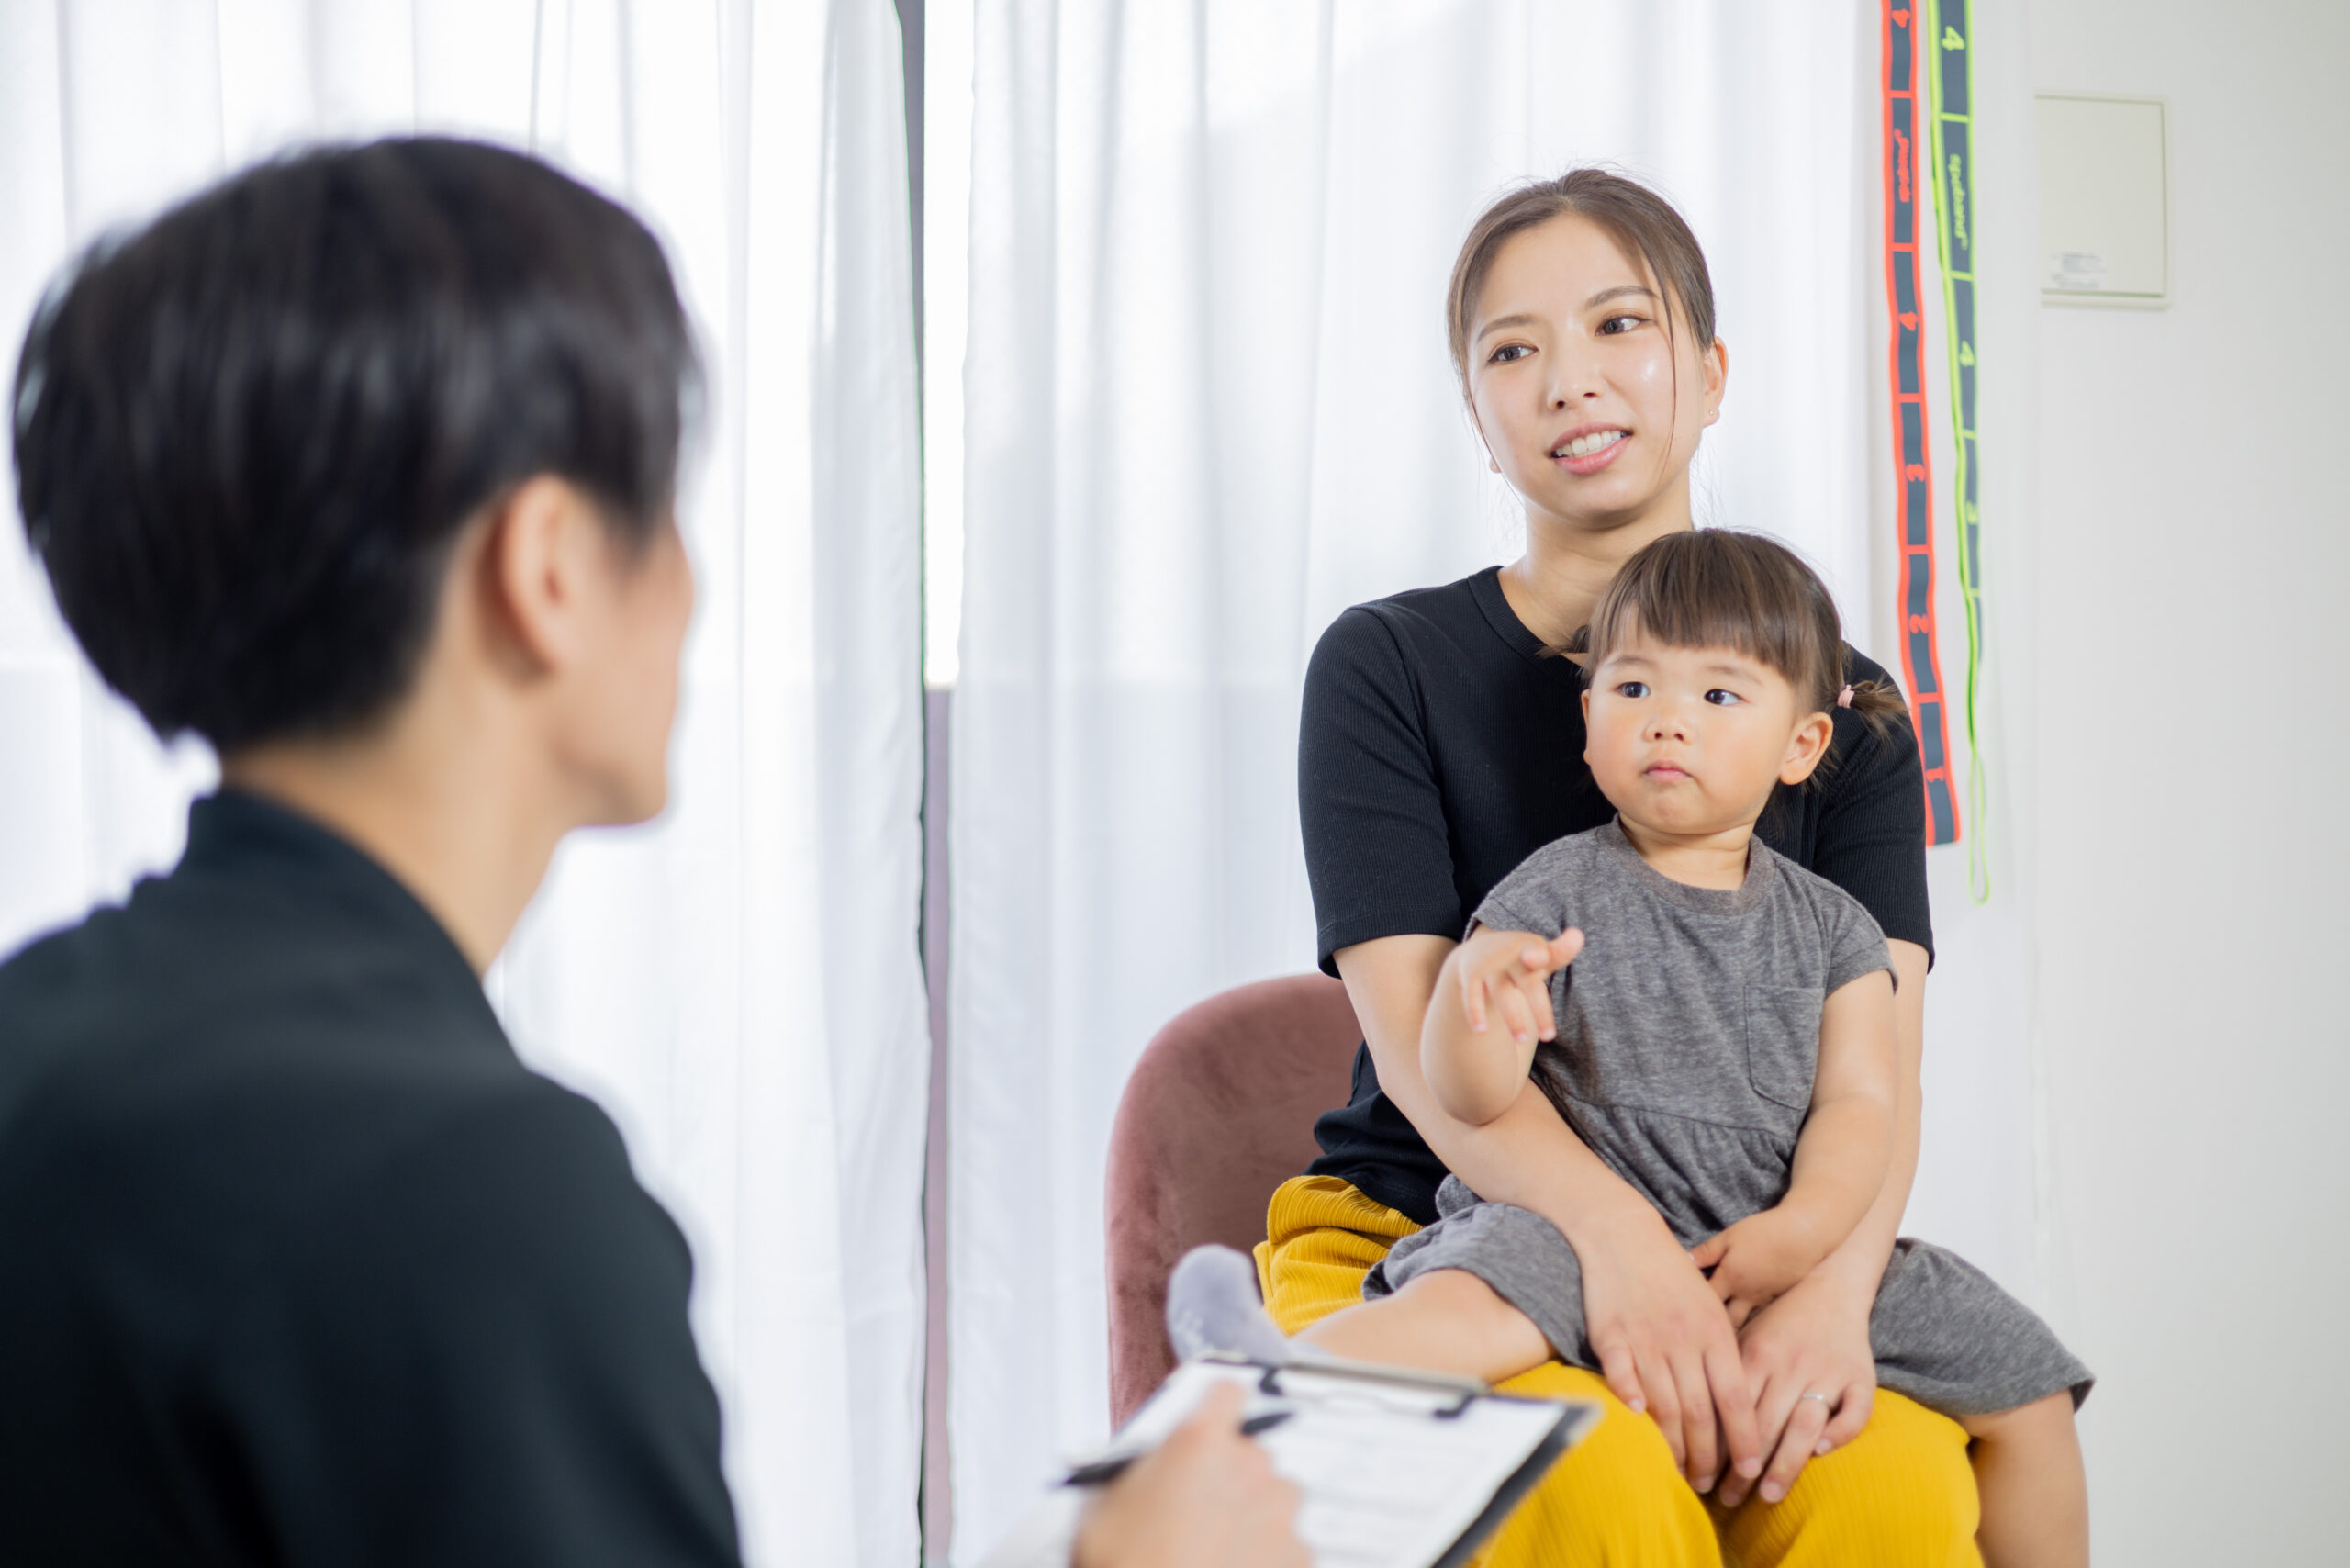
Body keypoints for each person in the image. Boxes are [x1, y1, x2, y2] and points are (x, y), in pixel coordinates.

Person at [0, 137, 1298, 1568]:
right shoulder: (472, 1197)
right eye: (665, 503)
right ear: (544, 567)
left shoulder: (41, 1043)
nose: (687, 580)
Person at [1252, 168, 1995, 1562]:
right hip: (1441, 1236)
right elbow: (1430, 1056)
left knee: (1885, 1492)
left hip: (1752, 1259)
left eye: (1617, 327)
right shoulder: (1385, 667)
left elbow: (1877, 1076)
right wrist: (1618, 1249)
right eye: (1512, 351)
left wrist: (1832, 1298)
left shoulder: (1849, 710)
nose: (1568, 382)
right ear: (1478, 419)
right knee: (1592, 1490)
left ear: (1710, 374)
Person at [1188, 531, 2090, 1566]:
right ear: (1588, 721)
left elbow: (1863, 1103)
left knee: (2026, 1385)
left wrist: (1805, 1241)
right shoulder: (1546, 894)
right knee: (1472, 1309)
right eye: (1632, 687)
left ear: (1800, 747)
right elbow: (1465, 1093)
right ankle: (1263, 1384)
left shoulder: (1835, 929)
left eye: (1717, 696)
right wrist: (1474, 1004)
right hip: (1570, 1230)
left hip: (1768, 1248)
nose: (1667, 717)